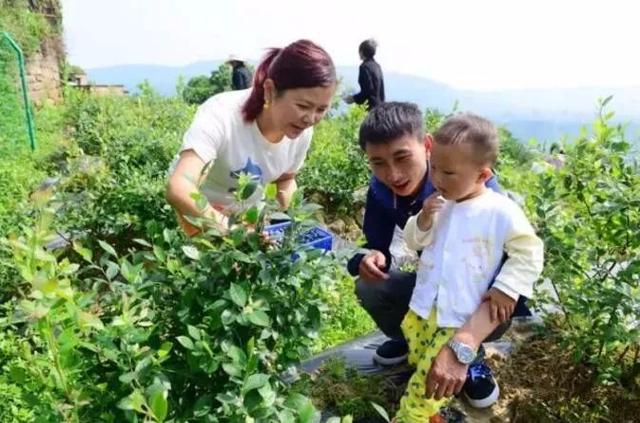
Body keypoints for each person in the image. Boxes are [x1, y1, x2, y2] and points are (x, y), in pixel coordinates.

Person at [347, 102, 529, 409]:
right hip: (434, 287)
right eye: (378, 163)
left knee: (480, 313)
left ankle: (472, 359)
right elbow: (378, 242)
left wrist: (464, 345)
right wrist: (370, 256)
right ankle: (417, 345)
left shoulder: (477, 189)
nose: (393, 173)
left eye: (402, 157)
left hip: (481, 301)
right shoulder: (381, 190)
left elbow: (520, 262)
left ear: (427, 145)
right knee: (370, 286)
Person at [394, 113, 544, 422]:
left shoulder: (499, 210)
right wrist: (422, 220)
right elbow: (414, 241)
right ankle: (433, 411)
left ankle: (411, 416)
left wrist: (506, 287)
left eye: (449, 172)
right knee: (421, 360)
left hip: (458, 314)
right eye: (434, 167)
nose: (437, 178)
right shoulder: (440, 203)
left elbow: (530, 251)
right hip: (423, 308)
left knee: (424, 385)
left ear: (483, 175)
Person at [167, 40, 336, 235]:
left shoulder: (301, 130)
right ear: (270, 91)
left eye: (321, 109)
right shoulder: (221, 114)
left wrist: (297, 223)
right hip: (196, 212)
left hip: (246, 217)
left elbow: (285, 179)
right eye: (303, 106)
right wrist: (230, 231)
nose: (310, 119)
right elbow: (180, 187)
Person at [344, 38, 385, 109]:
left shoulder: (364, 67)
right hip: (380, 108)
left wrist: (353, 99)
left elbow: (367, 91)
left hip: (371, 109)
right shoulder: (377, 66)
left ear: (362, 52)